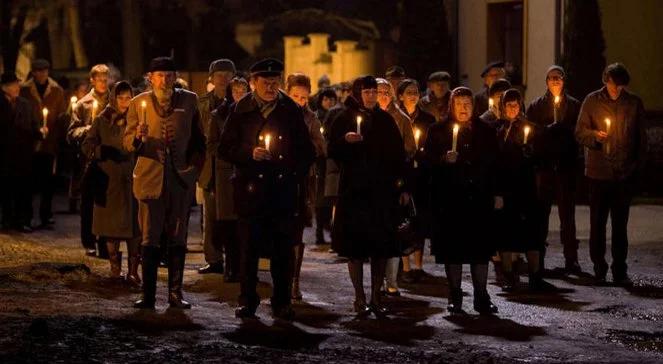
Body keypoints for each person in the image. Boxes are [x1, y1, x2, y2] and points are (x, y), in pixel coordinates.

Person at [219, 58, 315, 320]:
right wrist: (250, 153)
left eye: (275, 82)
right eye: (266, 82)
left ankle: (281, 300)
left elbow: (307, 151)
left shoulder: (290, 110)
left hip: (282, 191)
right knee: (249, 250)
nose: (271, 87)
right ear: (254, 83)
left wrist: (291, 171)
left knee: (283, 250)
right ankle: (247, 300)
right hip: (251, 191)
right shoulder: (241, 109)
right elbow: (224, 148)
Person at [124, 56, 206, 309]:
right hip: (150, 181)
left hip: (179, 181)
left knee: (177, 237)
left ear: (175, 76)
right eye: (160, 75)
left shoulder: (190, 100)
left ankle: (175, 293)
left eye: (169, 75)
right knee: (149, 238)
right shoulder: (138, 103)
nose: (165, 79)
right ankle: (148, 295)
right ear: (150, 77)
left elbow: (199, 142)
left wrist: (192, 172)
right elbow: (127, 143)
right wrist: (138, 139)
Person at [329, 75, 410, 317]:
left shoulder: (385, 120)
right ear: (357, 93)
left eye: (374, 91)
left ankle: (376, 296)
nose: (372, 96)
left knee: (380, 247)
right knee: (355, 248)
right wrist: (345, 142)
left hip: (381, 194)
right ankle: (359, 298)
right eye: (367, 92)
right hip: (354, 192)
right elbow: (331, 150)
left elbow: (398, 155)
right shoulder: (343, 118)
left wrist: (402, 186)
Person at [424, 87, 500, 314]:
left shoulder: (485, 131)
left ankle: (481, 296)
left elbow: (495, 164)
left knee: (480, 250)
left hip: (478, 199)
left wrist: (497, 193)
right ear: (451, 106)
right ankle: (454, 295)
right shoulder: (438, 130)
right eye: (459, 104)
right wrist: (443, 159)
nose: (464, 108)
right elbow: (427, 163)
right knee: (453, 249)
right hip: (451, 200)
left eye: (468, 103)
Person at [575, 63, 647, 285]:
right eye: (614, 86)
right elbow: (579, 132)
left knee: (620, 225)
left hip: (622, 174)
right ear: (606, 81)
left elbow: (640, 139)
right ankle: (599, 266)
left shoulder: (633, 103)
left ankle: (619, 269)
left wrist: (636, 167)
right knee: (597, 224)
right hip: (598, 173)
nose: (617, 91)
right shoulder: (592, 101)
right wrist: (594, 136)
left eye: (621, 87)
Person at [81, 81, 141, 285]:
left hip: (132, 179)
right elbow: (87, 145)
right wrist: (101, 151)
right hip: (109, 180)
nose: (125, 102)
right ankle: (115, 269)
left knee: (135, 228)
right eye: (121, 97)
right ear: (114, 98)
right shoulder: (102, 119)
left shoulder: (137, 118)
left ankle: (133, 271)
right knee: (111, 228)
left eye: (128, 97)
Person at [526, 65, 581, 273]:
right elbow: (529, 132)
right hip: (545, 167)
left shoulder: (575, 105)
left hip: (566, 166)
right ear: (546, 82)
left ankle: (571, 257)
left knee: (568, 215)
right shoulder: (537, 106)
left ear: (564, 80)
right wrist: (546, 131)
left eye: (558, 77)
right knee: (542, 214)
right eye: (551, 78)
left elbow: (579, 131)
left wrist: (565, 132)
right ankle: (539, 257)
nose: (555, 81)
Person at [495, 89, 549, 291]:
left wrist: (531, 153)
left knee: (532, 235)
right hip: (505, 189)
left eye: (516, 104)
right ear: (502, 107)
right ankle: (509, 276)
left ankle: (536, 276)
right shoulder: (497, 130)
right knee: (506, 234)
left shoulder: (531, 129)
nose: (512, 108)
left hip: (527, 188)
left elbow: (542, 157)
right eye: (508, 104)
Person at [285, 73, 326, 300]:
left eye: (303, 97)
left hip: (301, 179)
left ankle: (295, 281)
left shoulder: (311, 118)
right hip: (278, 179)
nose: (299, 101)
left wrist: (308, 146)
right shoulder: (277, 113)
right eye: (295, 96)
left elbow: (321, 146)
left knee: (297, 232)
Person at [376, 77, 416, 296]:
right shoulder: (367, 116)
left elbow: (410, 150)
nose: (382, 95)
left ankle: (391, 280)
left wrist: (404, 185)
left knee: (392, 232)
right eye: (377, 91)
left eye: (385, 91)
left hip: (393, 183)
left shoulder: (401, 119)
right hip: (372, 184)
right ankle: (376, 281)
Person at [197, 59, 236, 275]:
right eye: (219, 74)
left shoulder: (240, 102)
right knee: (210, 216)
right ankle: (213, 259)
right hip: (208, 168)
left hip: (232, 168)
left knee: (232, 216)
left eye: (227, 74)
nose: (223, 78)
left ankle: (235, 258)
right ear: (211, 78)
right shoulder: (201, 103)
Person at [68, 64, 111, 257]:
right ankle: (89, 241)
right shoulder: (83, 104)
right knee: (88, 203)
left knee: (108, 203)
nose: (103, 82)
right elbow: (71, 133)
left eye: (105, 79)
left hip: (110, 158)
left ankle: (106, 240)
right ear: (92, 80)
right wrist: (88, 129)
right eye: (99, 79)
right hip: (89, 161)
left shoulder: (115, 101)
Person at [397, 79, 436, 284]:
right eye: (408, 92)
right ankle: (405, 266)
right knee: (404, 220)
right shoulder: (397, 117)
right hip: (403, 173)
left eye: (415, 92)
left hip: (421, 174)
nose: (413, 95)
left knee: (419, 220)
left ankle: (419, 266)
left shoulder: (427, 119)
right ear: (401, 95)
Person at [19, 59, 66, 230]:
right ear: (34, 72)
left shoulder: (56, 91)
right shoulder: (25, 90)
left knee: (48, 183)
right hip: (31, 144)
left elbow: (61, 113)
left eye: (45, 71)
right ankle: (28, 215)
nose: (42, 74)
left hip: (49, 143)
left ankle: (46, 215)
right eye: (38, 71)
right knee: (29, 183)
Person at [1, 73, 44, 232]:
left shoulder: (25, 105)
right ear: (4, 87)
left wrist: (40, 132)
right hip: (5, 155)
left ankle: (22, 220)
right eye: (14, 85)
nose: (17, 87)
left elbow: (34, 126)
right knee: (6, 190)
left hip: (23, 155)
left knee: (23, 190)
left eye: (17, 84)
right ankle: (6, 220)